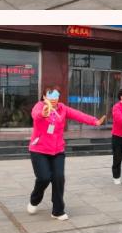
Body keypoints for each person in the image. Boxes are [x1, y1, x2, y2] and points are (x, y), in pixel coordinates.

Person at [26, 86, 106, 221]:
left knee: (59, 178)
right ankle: (35, 200)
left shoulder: (62, 108)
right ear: (44, 97)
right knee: (44, 178)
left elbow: (78, 114)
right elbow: (36, 114)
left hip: (57, 150)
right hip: (39, 150)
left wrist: (94, 121)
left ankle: (58, 210)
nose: (53, 99)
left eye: (56, 96)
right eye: (50, 96)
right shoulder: (39, 106)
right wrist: (43, 113)